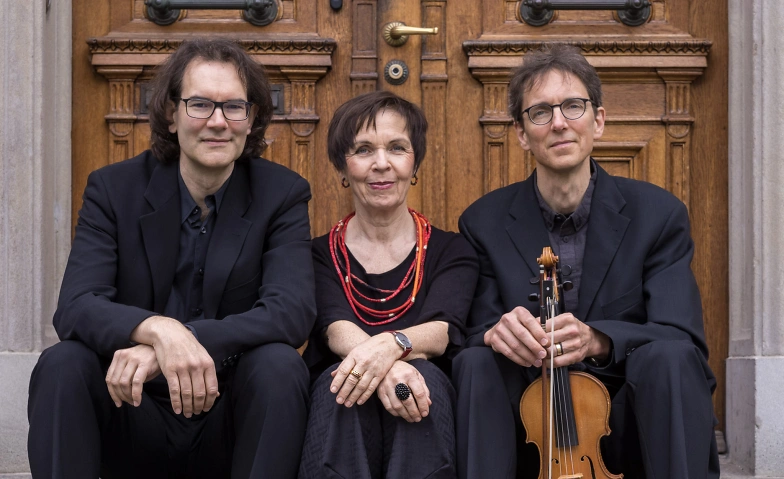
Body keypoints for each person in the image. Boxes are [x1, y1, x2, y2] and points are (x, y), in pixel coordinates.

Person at [27, 38, 316, 479]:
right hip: (131, 407)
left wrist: (184, 341)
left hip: (229, 418)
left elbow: (290, 312)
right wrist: (159, 331)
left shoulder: (282, 193)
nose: (217, 122)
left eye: (234, 107)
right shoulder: (113, 189)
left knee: (280, 366)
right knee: (62, 364)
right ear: (170, 113)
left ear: (252, 117)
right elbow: (77, 305)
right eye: (199, 104)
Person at [452, 44, 720, 479]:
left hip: (631, 426)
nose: (559, 123)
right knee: (476, 361)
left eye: (573, 106)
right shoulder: (482, 222)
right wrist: (495, 334)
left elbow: (681, 334)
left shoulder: (658, 214)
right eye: (540, 112)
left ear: (598, 120)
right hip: (531, 431)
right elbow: (469, 333)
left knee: (671, 358)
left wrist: (598, 340)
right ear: (521, 133)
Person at [298, 91, 479, 479]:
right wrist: (389, 368)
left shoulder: (453, 250)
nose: (382, 164)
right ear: (342, 167)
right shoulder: (317, 254)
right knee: (344, 384)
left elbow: (441, 331)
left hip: (424, 400)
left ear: (414, 163)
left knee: (420, 383)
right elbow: (335, 329)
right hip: (343, 404)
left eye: (397, 148)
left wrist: (390, 351)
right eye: (363, 150)